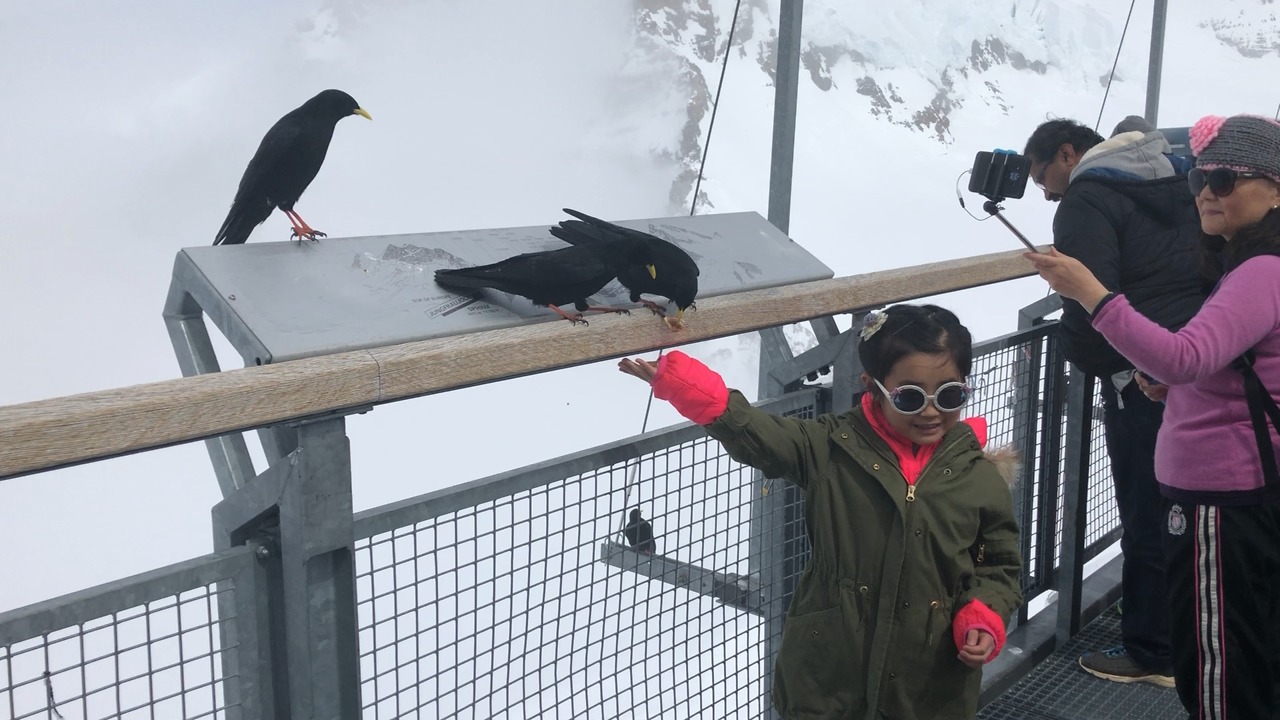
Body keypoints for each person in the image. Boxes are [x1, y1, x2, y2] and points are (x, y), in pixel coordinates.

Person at [618, 304, 1023, 720]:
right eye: (910, 396)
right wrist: (689, 388)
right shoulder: (832, 448)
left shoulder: (979, 477)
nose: (932, 410)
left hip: (929, 690)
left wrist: (983, 613)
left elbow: (998, 565)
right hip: (829, 679)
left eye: (950, 394)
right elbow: (763, 435)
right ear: (872, 386)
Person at [1026, 113, 1280, 718]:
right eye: (1200, 177)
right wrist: (1177, 382)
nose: (1206, 193)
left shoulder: (1262, 270)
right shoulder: (1251, 263)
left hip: (1227, 494)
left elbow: (1187, 355)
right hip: (1245, 484)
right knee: (1249, 647)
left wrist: (1091, 293)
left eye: (1225, 178)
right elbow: (1236, 362)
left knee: (1219, 666)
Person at [1022, 116, 1206, 687]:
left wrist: (1098, 364)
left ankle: (1154, 651)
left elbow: (1087, 299)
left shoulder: (1087, 198)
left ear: (1069, 154)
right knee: (1187, 508)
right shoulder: (1172, 177)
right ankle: (1192, 632)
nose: (1044, 190)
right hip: (1195, 361)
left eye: (1043, 174)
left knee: (1148, 510)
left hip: (1142, 375)